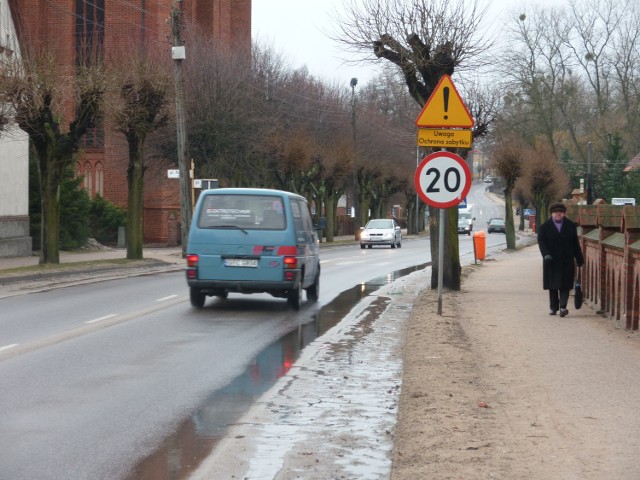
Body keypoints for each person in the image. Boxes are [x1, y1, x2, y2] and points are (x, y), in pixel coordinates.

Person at [537, 202, 584, 317]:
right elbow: (541, 242)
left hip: (566, 261)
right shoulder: (544, 227)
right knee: (553, 286)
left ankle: (563, 307)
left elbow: (575, 244)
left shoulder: (570, 226)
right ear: (552, 214)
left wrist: (579, 258)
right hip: (551, 261)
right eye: (556, 212)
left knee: (565, 285)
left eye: (561, 212)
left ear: (564, 213)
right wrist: (546, 254)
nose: (558, 214)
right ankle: (554, 308)